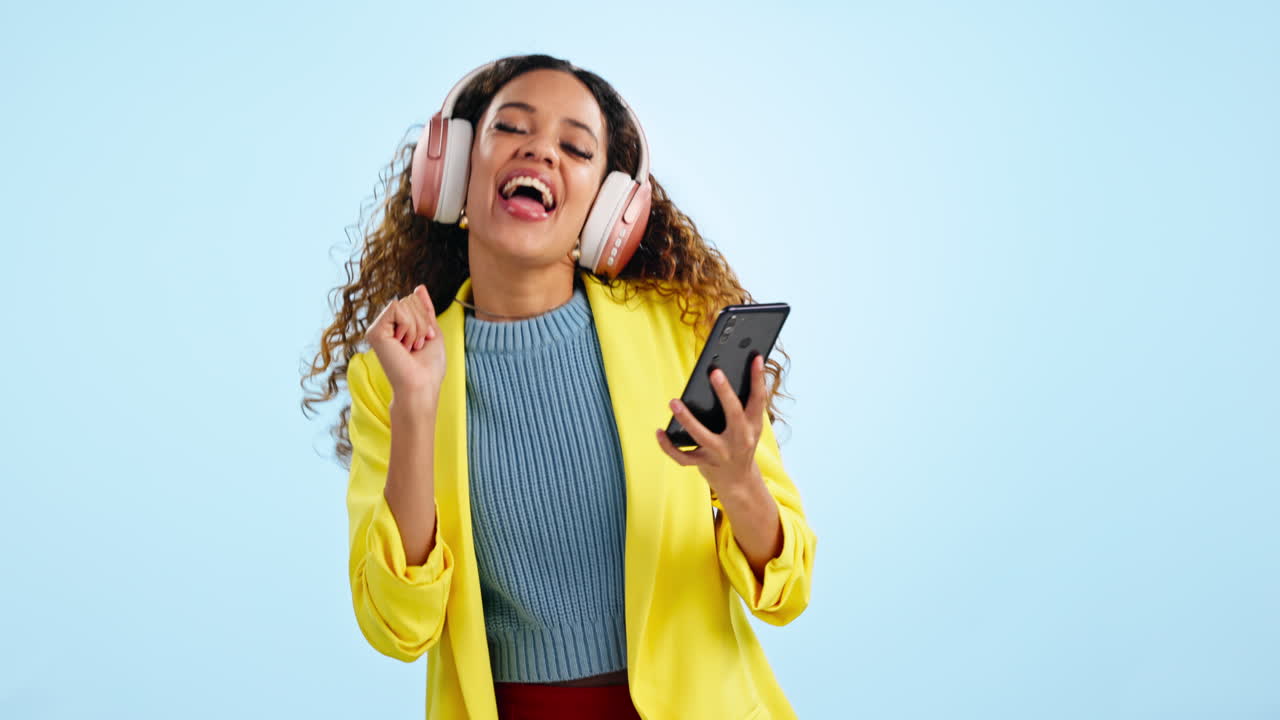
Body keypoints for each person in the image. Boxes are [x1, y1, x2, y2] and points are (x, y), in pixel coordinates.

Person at [302, 54, 817, 720]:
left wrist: (739, 481)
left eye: (574, 147)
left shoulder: (679, 333)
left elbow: (788, 590)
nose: (540, 151)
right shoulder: (391, 373)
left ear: (609, 212)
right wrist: (418, 407)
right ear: (455, 172)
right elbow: (399, 626)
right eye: (511, 130)